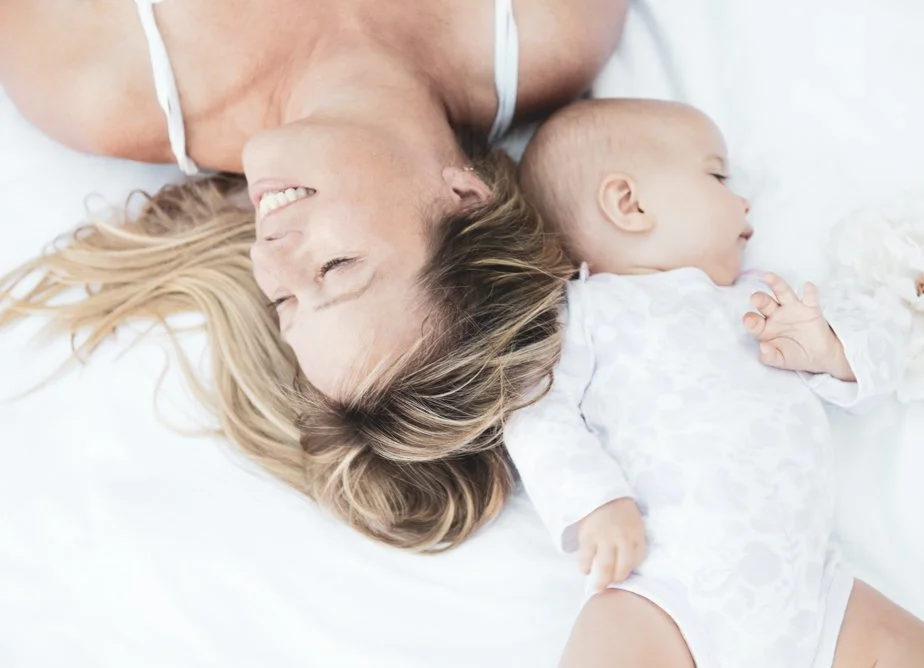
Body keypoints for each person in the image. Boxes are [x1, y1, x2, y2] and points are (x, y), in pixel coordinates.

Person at [0, 0, 626, 550]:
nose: (273, 254)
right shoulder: (549, 26)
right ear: (464, 197)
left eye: (283, 300)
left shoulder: (100, 82)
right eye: (336, 266)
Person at [508, 98, 924, 667]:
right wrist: (594, 502)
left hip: (811, 595)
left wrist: (831, 349)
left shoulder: (770, 298)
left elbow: (879, 357)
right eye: (717, 175)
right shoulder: (584, 312)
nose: (745, 199)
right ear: (628, 203)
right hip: (659, 587)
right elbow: (533, 409)